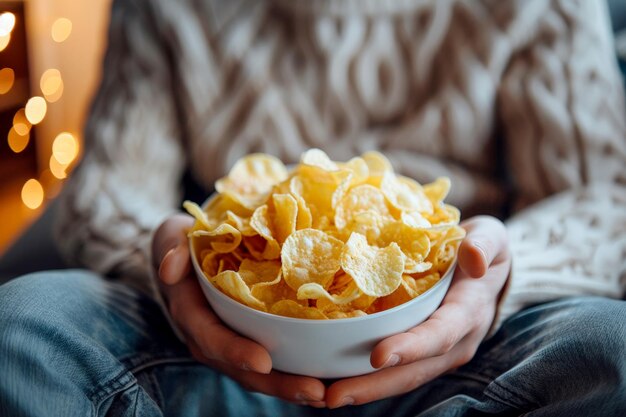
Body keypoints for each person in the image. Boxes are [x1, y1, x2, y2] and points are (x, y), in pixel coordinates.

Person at [1, 0, 625, 415]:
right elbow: (108, 191)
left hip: (465, 334)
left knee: (611, 350)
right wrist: (171, 263)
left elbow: (608, 195)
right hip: (221, 348)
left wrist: (500, 274)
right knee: (18, 331)